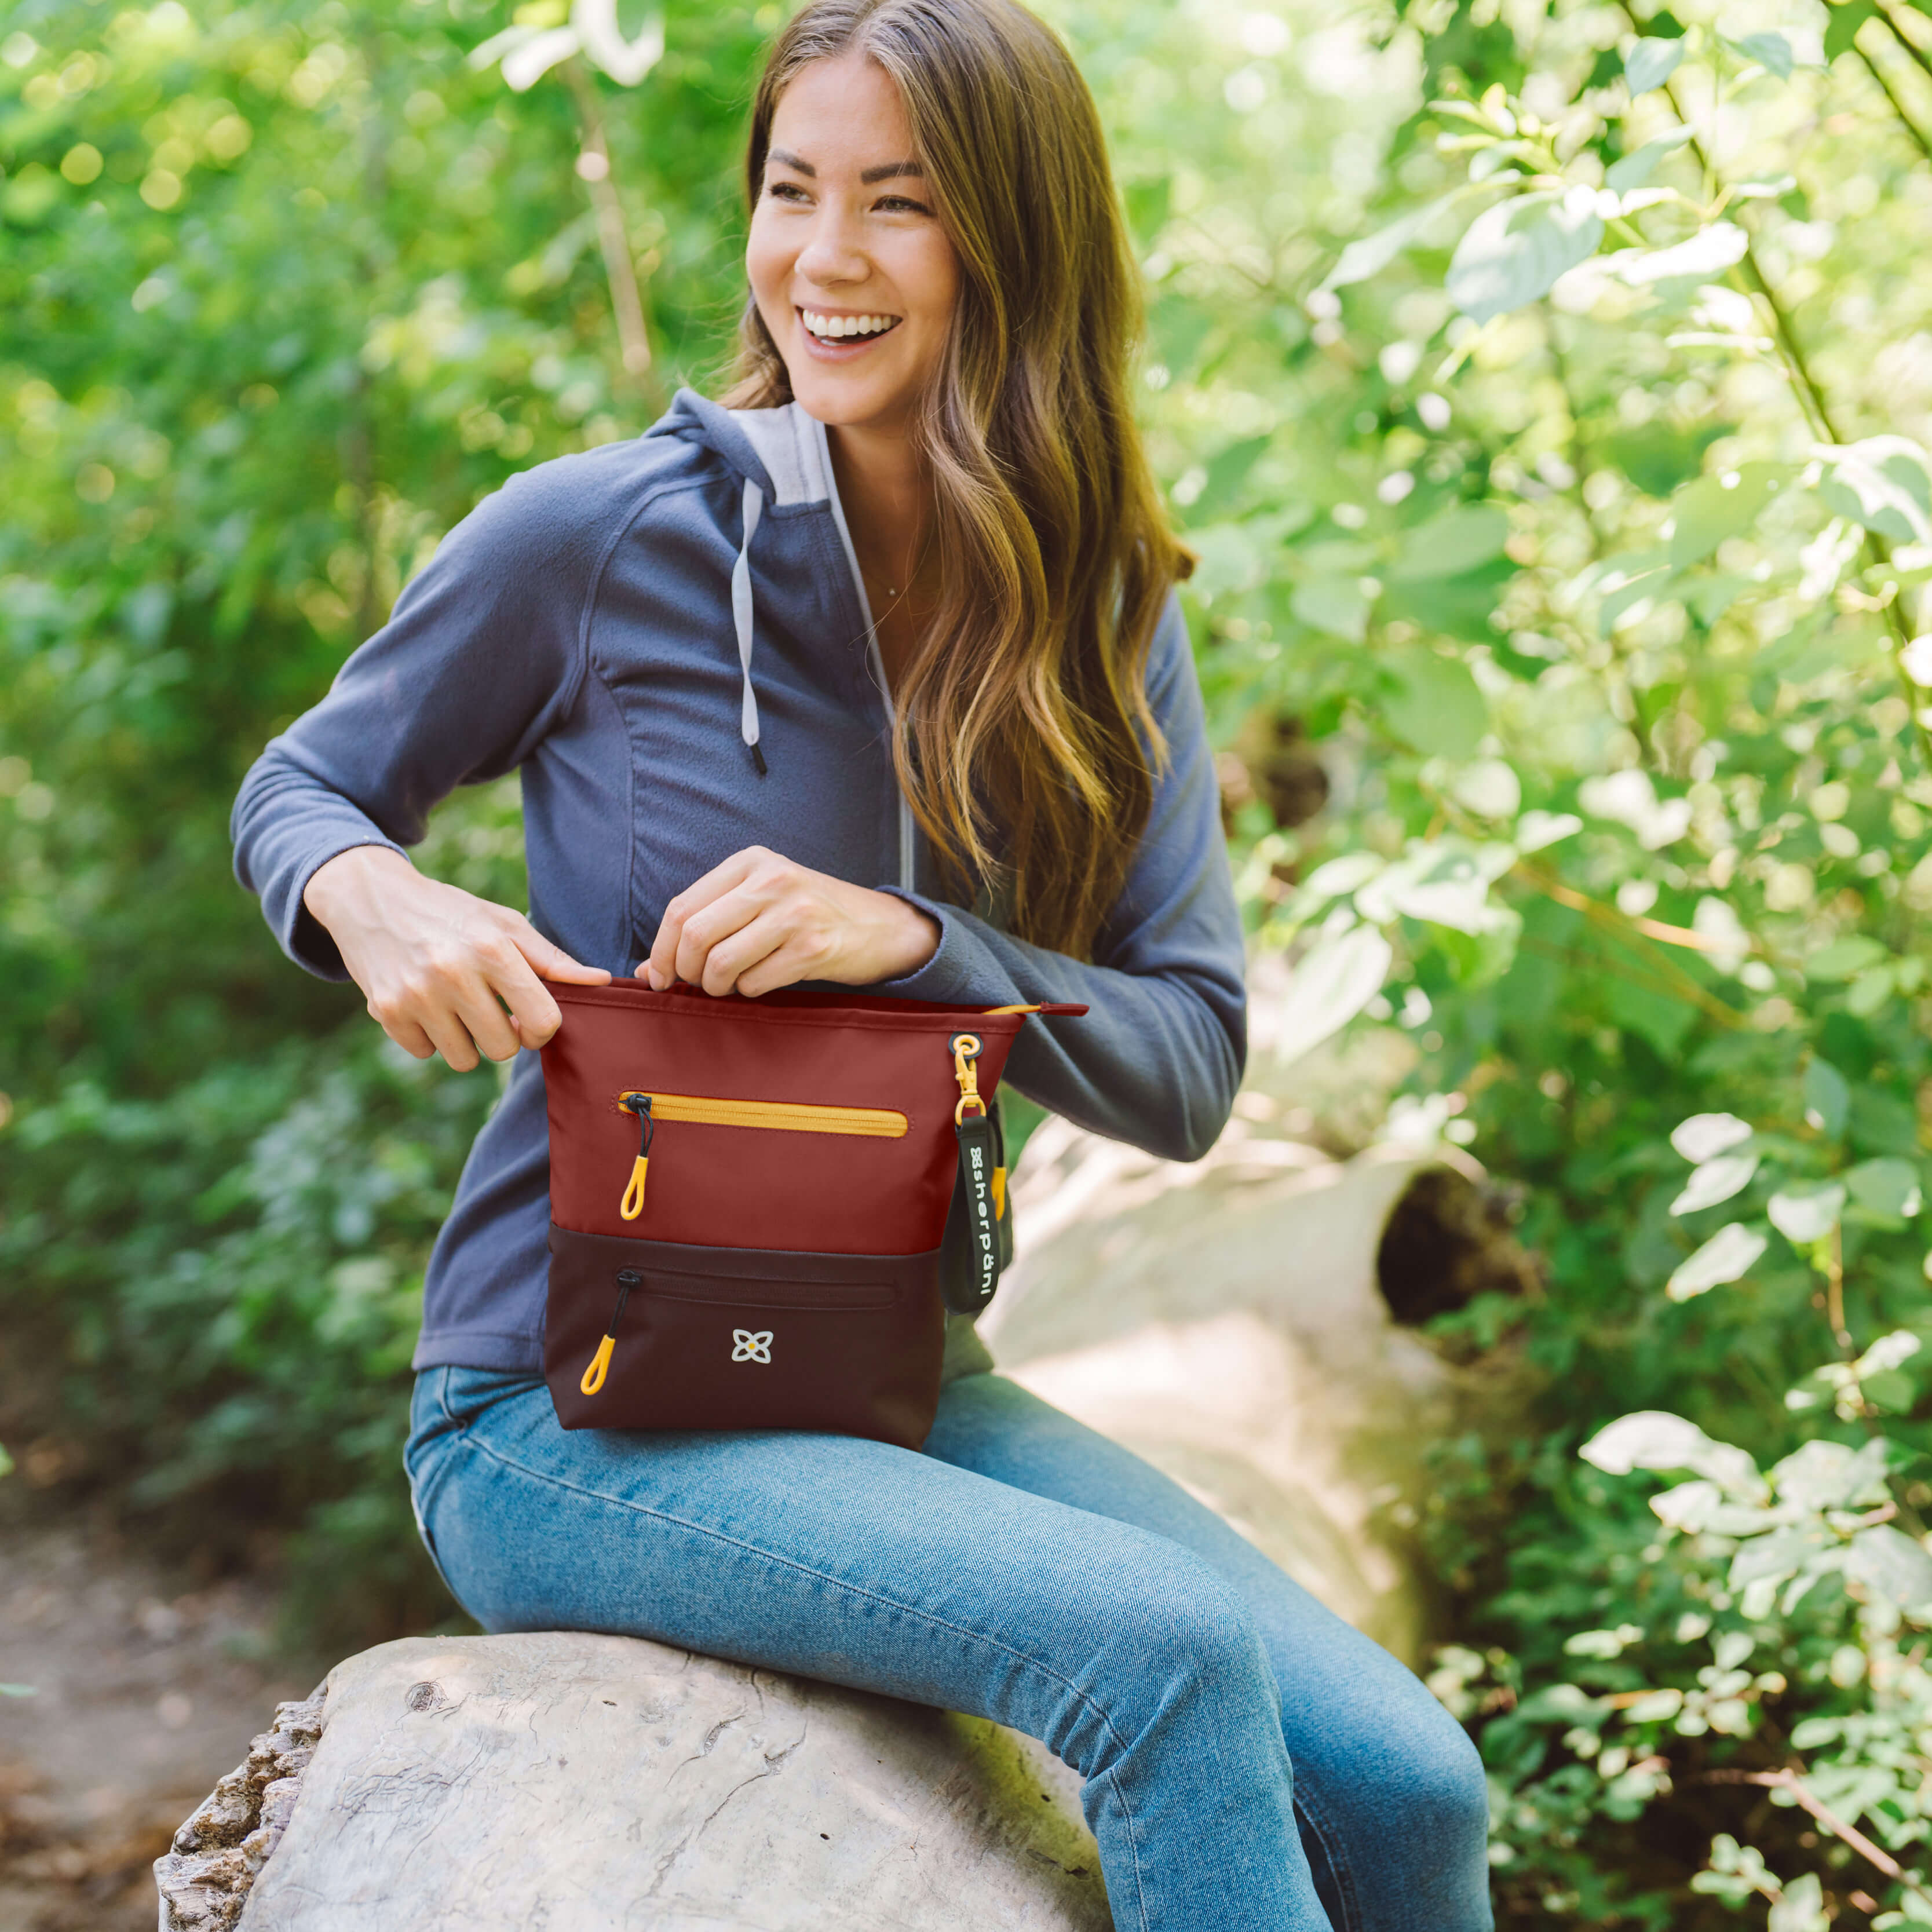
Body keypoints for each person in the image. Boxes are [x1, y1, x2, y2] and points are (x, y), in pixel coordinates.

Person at [229, 0, 1492, 1923]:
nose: (825, 258)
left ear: (1017, 242)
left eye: (897, 205)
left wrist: (921, 945)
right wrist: (371, 895)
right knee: (1159, 1666)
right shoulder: (603, 535)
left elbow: (1188, 1064)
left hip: (903, 1378)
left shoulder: (1104, 612)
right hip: (566, 1405)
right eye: (791, 190)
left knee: (1415, 1791)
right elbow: (303, 787)